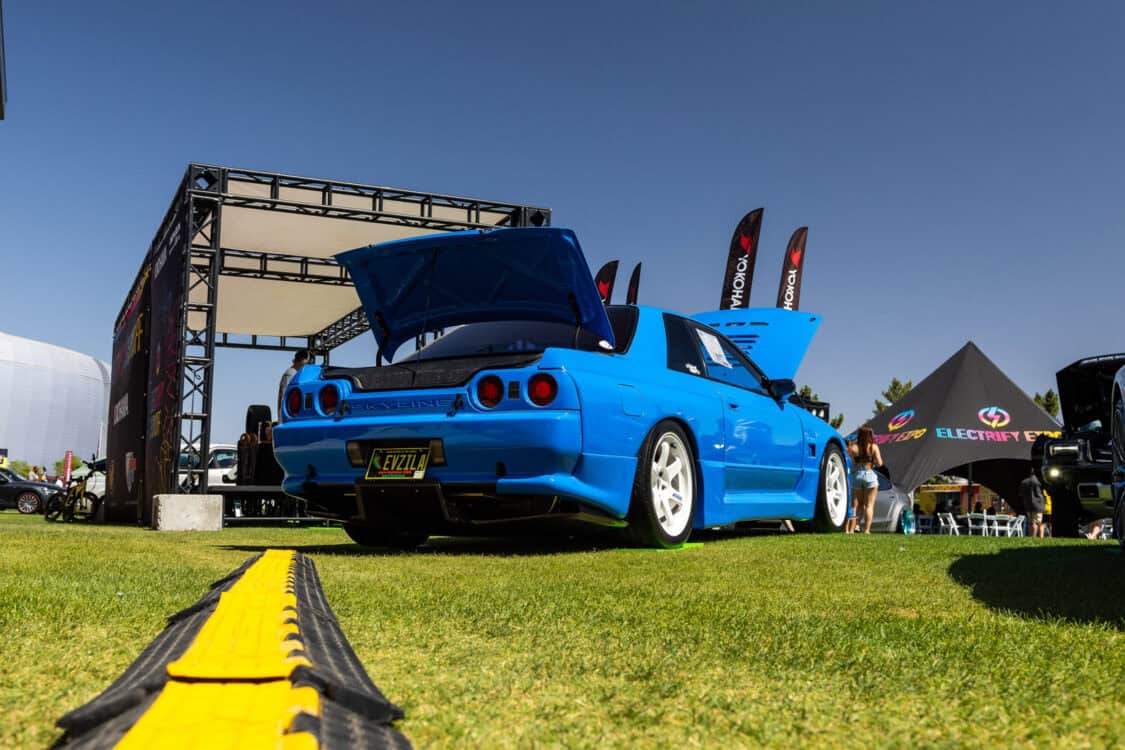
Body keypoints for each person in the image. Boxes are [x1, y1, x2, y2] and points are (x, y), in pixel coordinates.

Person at [846, 427, 883, 534]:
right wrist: (872, 462)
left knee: (855, 505)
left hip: (857, 475)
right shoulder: (874, 447)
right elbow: (880, 463)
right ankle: (866, 530)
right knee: (869, 505)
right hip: (870, 475)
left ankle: (851, 530)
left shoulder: (854, 447)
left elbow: (853, 464)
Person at [277, 350, 311, 414]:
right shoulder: (291, 374)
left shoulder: (294, 373)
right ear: (303, 360)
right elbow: (284, 395)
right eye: (307, 362)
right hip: (288, 413)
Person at [1018, 468, 1046, 538]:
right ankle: (1037, 538)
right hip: (1038, 504)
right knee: (1038, 522)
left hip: (1028, 504)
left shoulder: (1024, 482)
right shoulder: (1039, 481)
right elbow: (1044, 492)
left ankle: (1032, 537)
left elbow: (1020, 494)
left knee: (1031, 522)